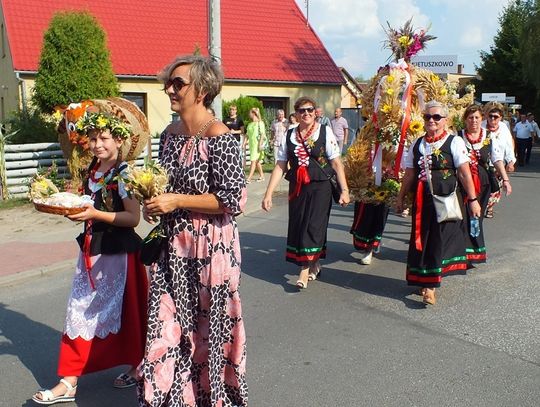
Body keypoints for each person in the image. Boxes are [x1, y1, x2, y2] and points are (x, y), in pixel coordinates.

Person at [140, 55, 247, 406]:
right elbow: (163, 186)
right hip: (173, 249)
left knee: (209, 332)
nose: (169, 89)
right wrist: (154, 201)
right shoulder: (169, 136)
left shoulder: (221, 137)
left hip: (212, 249)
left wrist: (177, 201)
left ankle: (213, 399)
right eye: (168, 83)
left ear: (201, 90)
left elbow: (232, 198)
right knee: (165, 327)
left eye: (178, 84)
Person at [32, 112, 148, 405]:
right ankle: (68, 381)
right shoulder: (93, 171)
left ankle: (139, 366)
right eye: (93, 138)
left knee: (128, 316)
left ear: (119, 140)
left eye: (104, 138)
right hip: (90, 251)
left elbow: (132, 218)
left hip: (119, 255)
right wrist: (78, 214)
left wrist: (96, 214)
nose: (97, 144)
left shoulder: (125, 174)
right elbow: (88, 209)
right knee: (79, 314)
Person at [396, 100, 481, 306]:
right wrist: (400, 198)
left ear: (445, 120)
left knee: (438, 240)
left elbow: (464, 173)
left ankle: (430, 285)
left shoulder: (454, 142)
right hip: (422, 199)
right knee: (421, 239)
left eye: (436, 117)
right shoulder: (417, 144)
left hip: (446, 199)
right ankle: (424, 280)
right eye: (428, 117)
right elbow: (409, 174)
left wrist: (473, 199)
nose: (432, 121)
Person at [262, 96, 350, 289]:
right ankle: (314, 263)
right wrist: (268, 194)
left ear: (315, 112)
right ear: (296, 113)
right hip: (298, 187)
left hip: (321, 187)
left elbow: (336, 163)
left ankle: (303, 268)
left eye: (310, 110)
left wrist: (344, 190)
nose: (307, 114)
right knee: (300, 223)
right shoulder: (289, 134)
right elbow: (280, 166)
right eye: (302, 111)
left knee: (315, 225)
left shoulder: (325, 132)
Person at [458, 105, 512, 263]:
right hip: (463, 183)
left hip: (483, 184)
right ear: (465, 119)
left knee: (477, 216)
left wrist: (506, 180)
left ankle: (473, 252)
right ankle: (460, 252)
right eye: (470, 117)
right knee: (463, 216)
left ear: (481, 119)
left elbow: (496, 159)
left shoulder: (487, 136)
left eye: (477, 117)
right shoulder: (458, 136)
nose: (474, 120)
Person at [482, 102, 516, 218]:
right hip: (483, 164)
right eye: (490, 116)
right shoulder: (481, 127)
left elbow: (509, 145)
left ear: (500, 117)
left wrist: (511, 161)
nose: (492, 119)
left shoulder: (503, 127)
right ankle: (482, 205)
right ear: (486, 115)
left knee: (496, 186)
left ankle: (490, 207)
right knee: (483, 185)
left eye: (495, 117)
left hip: (499, 163)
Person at [244, 107, 266, 183]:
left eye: (250, 113)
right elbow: (247, 135)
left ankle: (249, 178)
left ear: (253, 114)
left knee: (253, 160)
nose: (248, 115)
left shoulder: (260, 123)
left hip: (257, 145)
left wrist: (260, 144)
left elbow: (262, 134)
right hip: (252, 145)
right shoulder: (250, 124)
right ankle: (262, 176)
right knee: (257, 161)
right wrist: (244, 143)